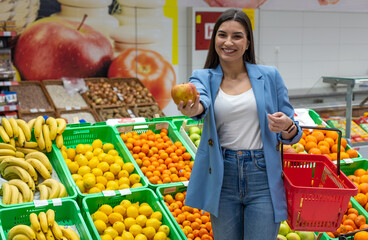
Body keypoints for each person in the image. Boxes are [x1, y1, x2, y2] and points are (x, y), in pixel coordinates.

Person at [175, 8, 303, 240]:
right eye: (222, 35)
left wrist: (286, 126)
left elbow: (293, 131)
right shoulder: (202, 77)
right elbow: (200, 102)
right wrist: (193, 108)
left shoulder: (269, 76)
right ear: (214, 38)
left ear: (247, 42)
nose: (228, 42)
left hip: (263, 175)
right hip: (222, 175)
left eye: (237, 36)